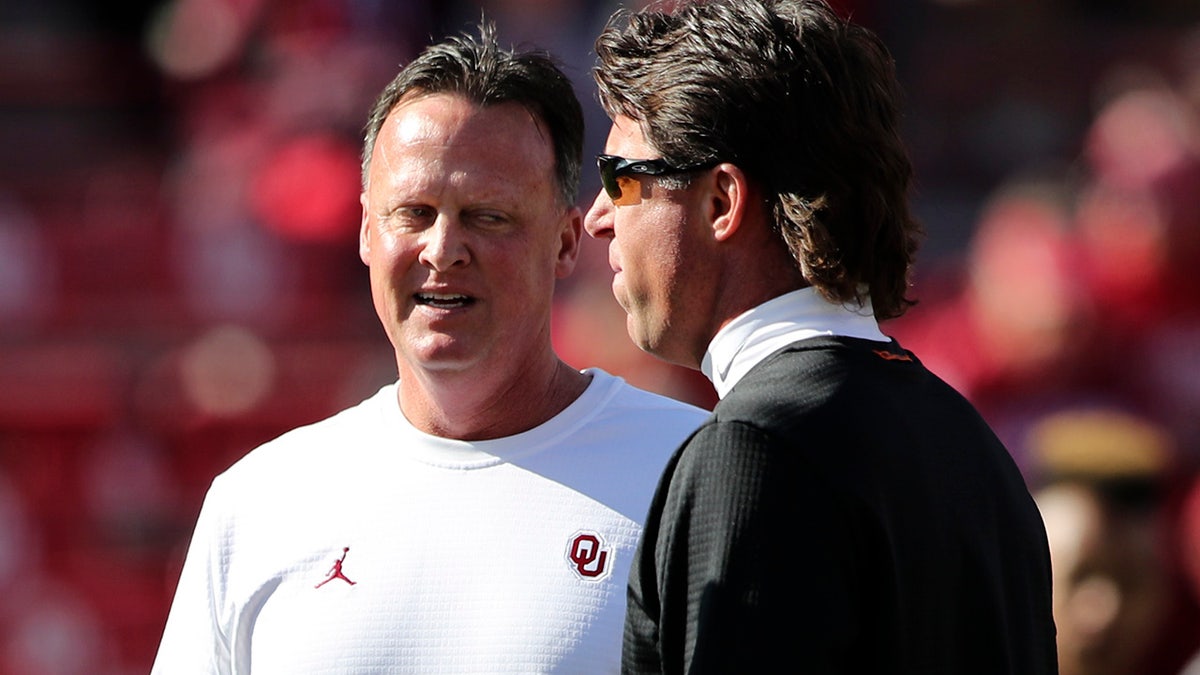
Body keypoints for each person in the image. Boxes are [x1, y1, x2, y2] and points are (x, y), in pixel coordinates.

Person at [151, 23, 708, 674]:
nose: (443, 249)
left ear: (565, 242)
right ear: (365, 231)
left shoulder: (694, 474)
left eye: (488, 215)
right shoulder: (257, 502)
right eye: (413, 212)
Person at [583, 1, 1058, 672]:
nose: (598, 216)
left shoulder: (756, 449)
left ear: (721, 201)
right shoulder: (973, 446)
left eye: (621, 179)